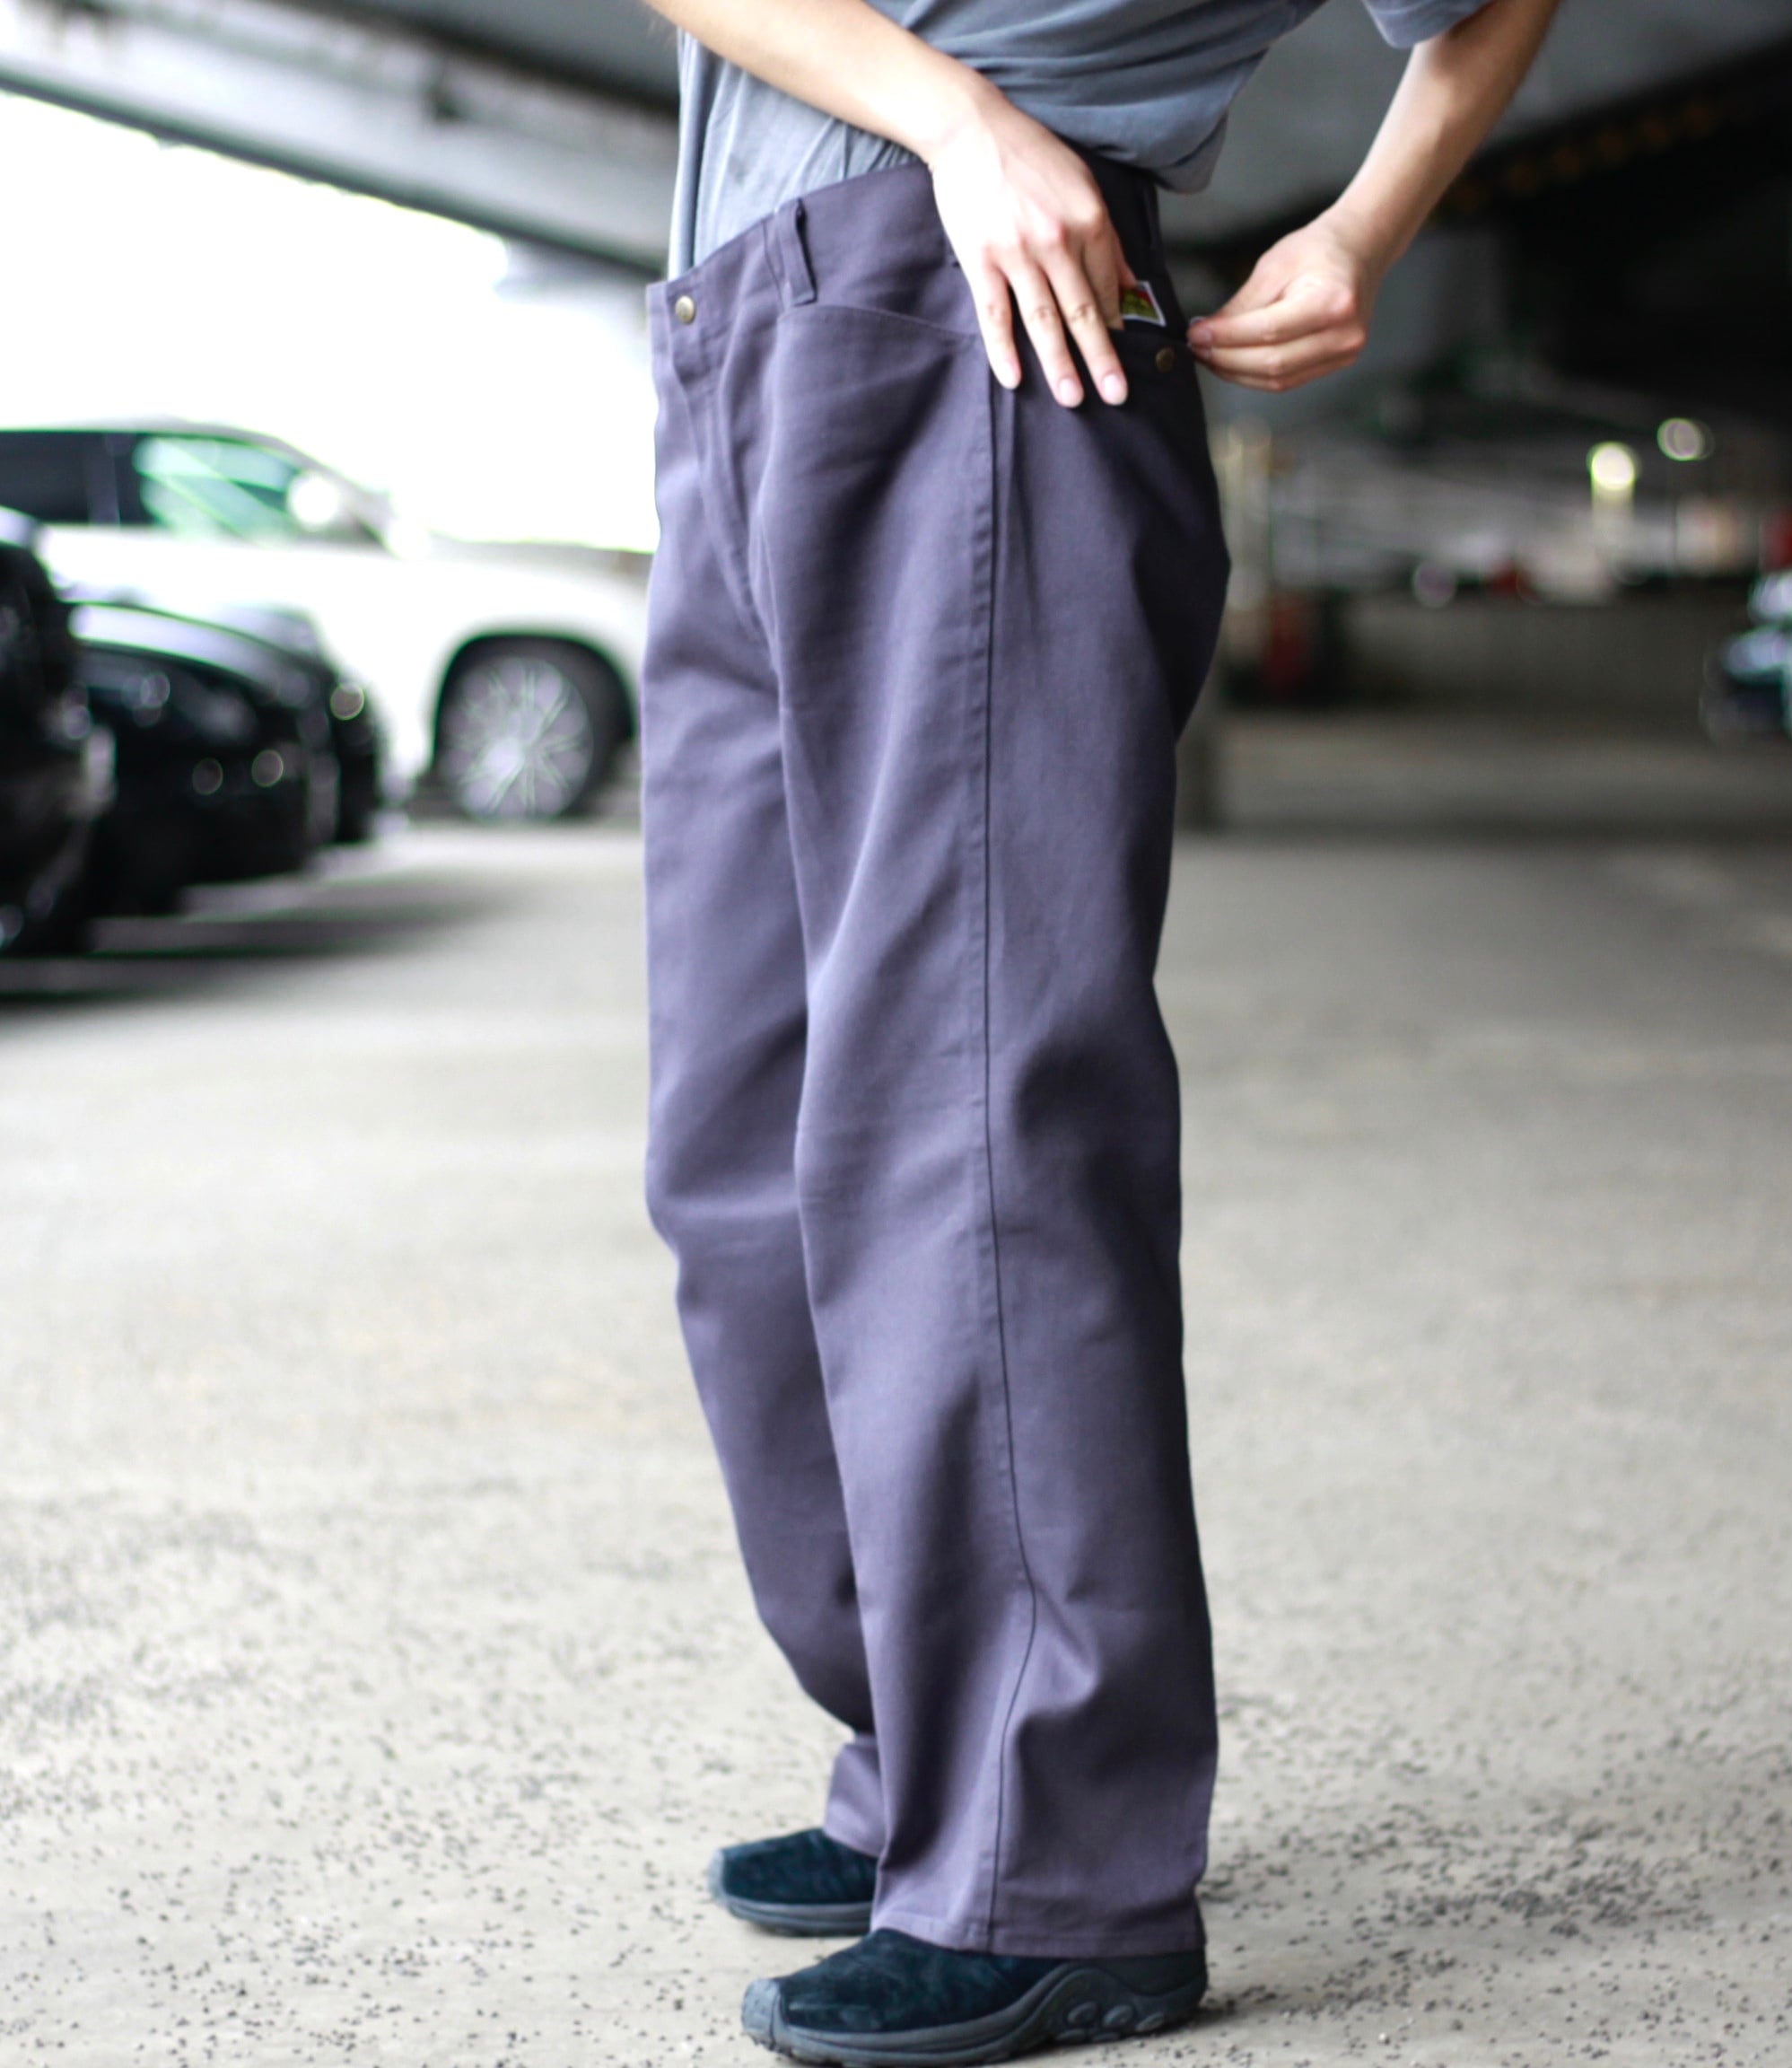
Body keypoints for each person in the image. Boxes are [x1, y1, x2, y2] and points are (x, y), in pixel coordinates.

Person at [633, 2, 1560, 2060]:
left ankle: (1051, 1857)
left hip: (983, 315)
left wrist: (1364, 226)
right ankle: (934, 1760)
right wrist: (948, 118)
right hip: (747, 331)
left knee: (967, 1124)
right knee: (735, 1146)